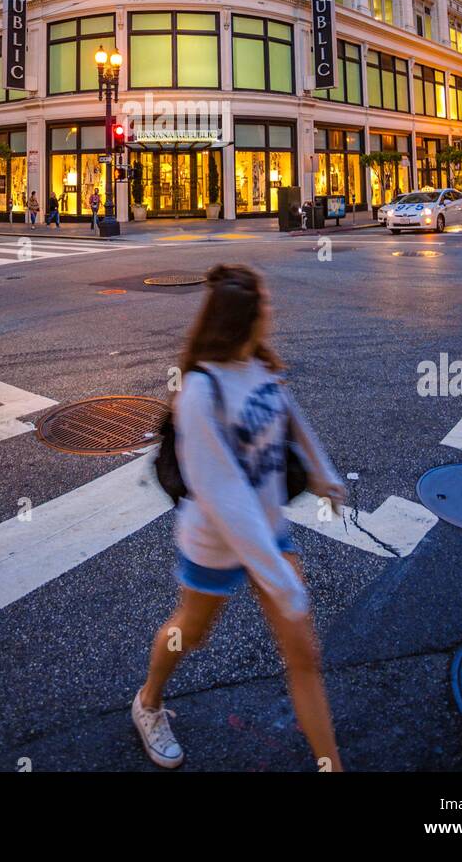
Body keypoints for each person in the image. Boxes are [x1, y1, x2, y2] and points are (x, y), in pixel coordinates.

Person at [133, 263, 347, 772]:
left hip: (269, 533)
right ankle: (148, 703)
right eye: (266, 303)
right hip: (216, 541)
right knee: (192, 631)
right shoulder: (202, 390)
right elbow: (222, 492)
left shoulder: (259, 365)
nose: (273, 309)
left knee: (303, 657)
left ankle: (331, 764)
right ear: (244, 317)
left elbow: (290, 417)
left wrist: (324, 473)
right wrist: (279, 577)